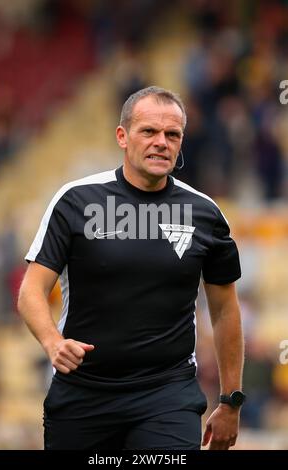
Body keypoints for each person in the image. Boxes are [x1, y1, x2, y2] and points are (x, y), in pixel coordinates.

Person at [18, 86, 245, 451]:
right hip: (83, 393)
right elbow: (31, 290)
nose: (161, 142)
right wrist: (52, 341)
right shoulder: (75, 200)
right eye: (149, 132)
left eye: (172, 134)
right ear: (122, 137)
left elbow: (224, 310)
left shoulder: (205, 213)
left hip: (168, 394)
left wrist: (230, 400)